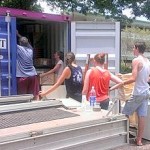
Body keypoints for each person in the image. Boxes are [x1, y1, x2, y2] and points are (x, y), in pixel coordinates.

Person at [110, 42, 150, 146]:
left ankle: (122, 138)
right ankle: (139, 140)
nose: (132, 49)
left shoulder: (136, 60)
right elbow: (147, 77)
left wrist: (120, 83)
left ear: (137, 48)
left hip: (138, 93)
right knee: (142, 116)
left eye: (133, 48)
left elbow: (133, 78)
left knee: (125, 113)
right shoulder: (147, 60)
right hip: (146, 92)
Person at [16, 31, 39, 100]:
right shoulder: (30, 50)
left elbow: (9, 40)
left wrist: (16, 34)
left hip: (23, 76)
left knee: (22, 97)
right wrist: (19, 35)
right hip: (32, 76)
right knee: (33, 95)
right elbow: (26, 42)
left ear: (20, 43)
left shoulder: (18, 48)